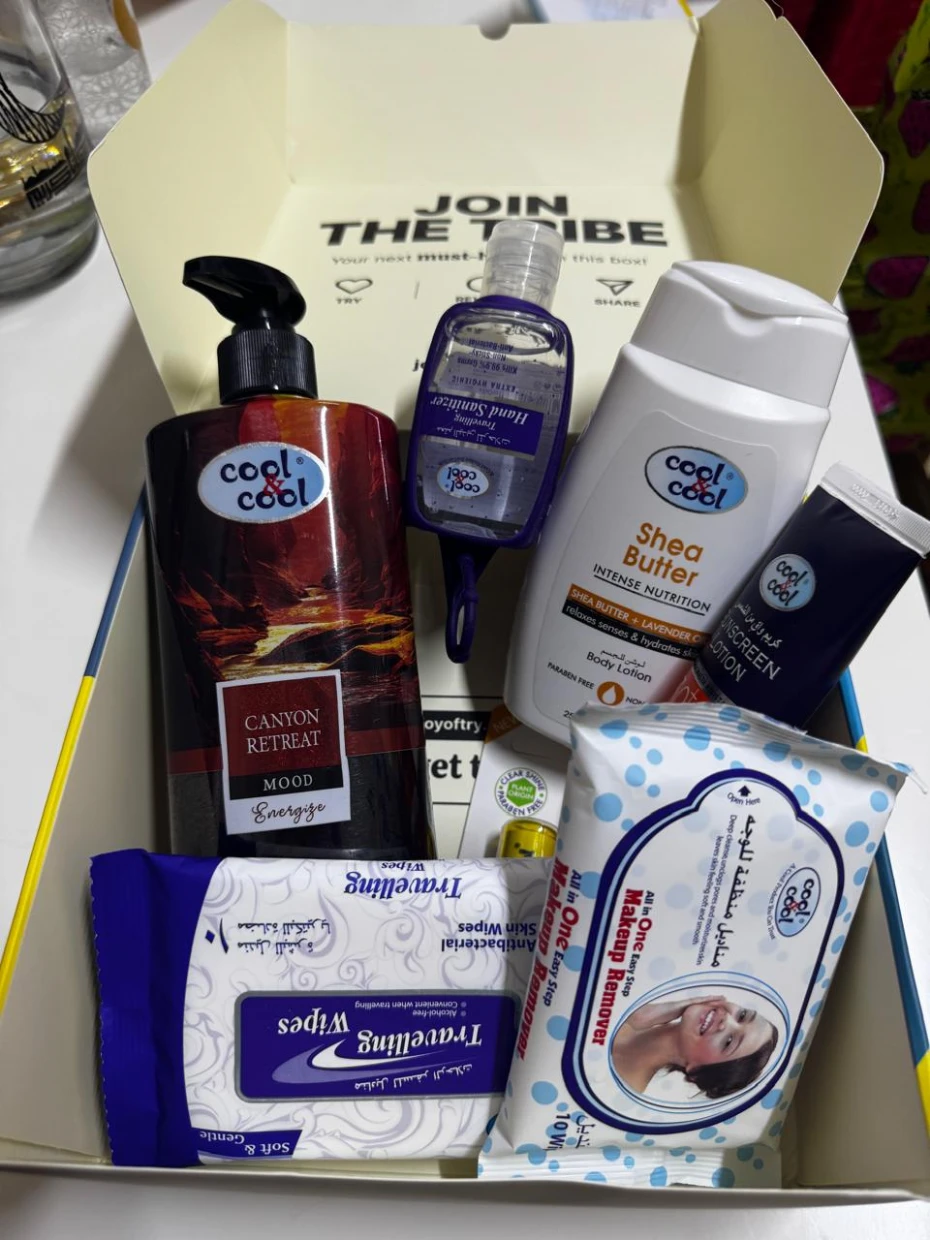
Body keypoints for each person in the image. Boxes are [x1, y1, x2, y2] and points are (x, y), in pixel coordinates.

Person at [610, 994, 778, 1100]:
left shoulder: (617, 1095)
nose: (727, 1020)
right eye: (742, 1015)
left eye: (728, 1042)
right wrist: (634, 1013)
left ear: (696, 1071)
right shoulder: (629, 1000)